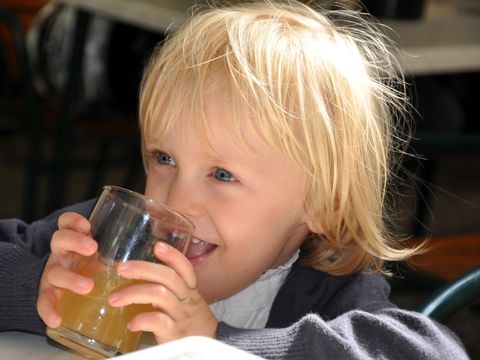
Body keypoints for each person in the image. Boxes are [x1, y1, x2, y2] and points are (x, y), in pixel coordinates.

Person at [0, 1, 469, 358]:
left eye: (222, 174)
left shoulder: (327, 290)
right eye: (164, 157)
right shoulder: (111, 245)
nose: (179, 199)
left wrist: (217, 342)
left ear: (323, 206)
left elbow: (432, 350)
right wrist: (42, 287)